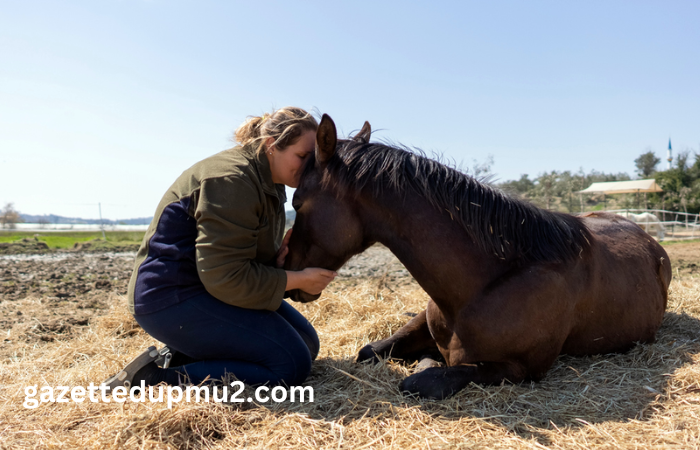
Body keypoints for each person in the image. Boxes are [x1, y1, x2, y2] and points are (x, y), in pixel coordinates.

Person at [103, 107, 337, 390]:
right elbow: (227, 276)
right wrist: (297, 279)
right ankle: (151, 381)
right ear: (271, 145)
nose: (308, 166)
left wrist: (279, 264)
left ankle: (183, 354)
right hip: (171, 298)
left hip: (209, 289)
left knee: (307, 344)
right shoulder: (232, 179)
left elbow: (241, 260)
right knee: (290, 365)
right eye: (302, 156)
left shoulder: (271, 183)